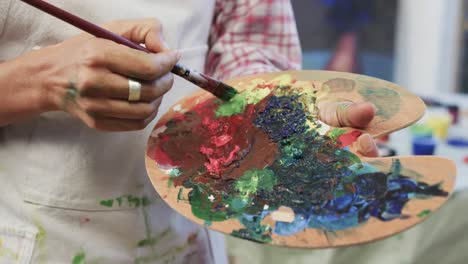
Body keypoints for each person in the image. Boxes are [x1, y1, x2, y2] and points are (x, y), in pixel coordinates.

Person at [0, 0, 377, 263]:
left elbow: (246, 46)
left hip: (189, 237)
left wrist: (277, 116)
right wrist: (41, 81)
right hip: (37, 239)